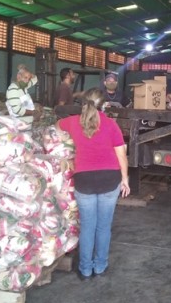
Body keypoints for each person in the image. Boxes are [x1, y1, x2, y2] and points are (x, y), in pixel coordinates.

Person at [56, 88, 131, 280]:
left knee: (88, 227)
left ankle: (85, 269)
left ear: (83, 104)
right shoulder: (111, 124)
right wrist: (125, 179)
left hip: (84, 180)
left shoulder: (73, 122)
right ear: (104, 105)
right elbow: (121, 155)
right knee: (103, 227)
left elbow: (57, 125)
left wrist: (66, 142)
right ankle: (100, 266)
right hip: (110, 179)